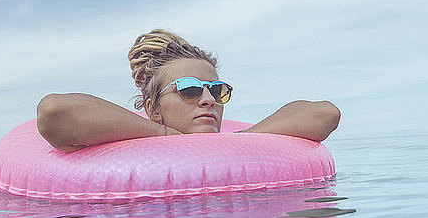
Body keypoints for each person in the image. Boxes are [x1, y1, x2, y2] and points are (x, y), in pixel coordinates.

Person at [37, 29, 341, 153]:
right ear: (154, 108)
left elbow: (325, 113)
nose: (208, 100)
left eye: (218, 90)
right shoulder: (130, 141)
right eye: (190, 90)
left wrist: (240, 142)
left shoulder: (234, 147)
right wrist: (166, 137)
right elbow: (55, 111)